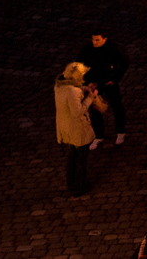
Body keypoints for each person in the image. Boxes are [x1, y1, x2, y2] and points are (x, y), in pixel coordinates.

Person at [76, 32, 129, 147]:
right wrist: (87, 81)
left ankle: (120, 132)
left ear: (104, 39)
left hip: (109, 82)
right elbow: (79, 65)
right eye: (93, 39)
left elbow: (124, 63)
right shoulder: (88, 49)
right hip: (94, 84)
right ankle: (99, 136)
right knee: (95, 109)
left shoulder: (113, 49)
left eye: (97, 40)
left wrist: (115, 78)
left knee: (116, 106)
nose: (94, 42)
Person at [54, 62, 94, 197]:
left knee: (71, 156)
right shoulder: (73, 91)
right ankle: (80, 186)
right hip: (76, 128)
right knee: (81, 158)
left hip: (65, 126)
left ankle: (71, 183)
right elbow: (78, 111)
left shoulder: (59, 86)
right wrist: (90, 98)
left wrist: (83, 89)